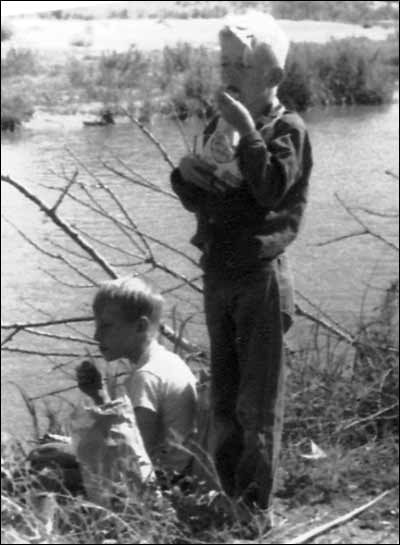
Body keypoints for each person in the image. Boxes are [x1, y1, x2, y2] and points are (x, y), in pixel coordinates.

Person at [170, 13, 313, 515]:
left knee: (259, 402)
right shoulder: (220, 126)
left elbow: (271, 187)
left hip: (261, 277)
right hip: (220, 272)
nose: (229, 71)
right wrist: (185, 174)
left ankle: (256, 510)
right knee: (227, 396)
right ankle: (229, 494)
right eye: (225, 61)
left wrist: (249, 133)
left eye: (243, 65)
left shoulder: (286, 130)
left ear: (272, 77)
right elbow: (202, 195)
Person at [76, 276, 198, 478]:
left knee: (47, 458)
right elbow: (130, 438)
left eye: (106, 326)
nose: (96, 336)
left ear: (140, 327)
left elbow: (133, 456)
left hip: (165, 485)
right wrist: (100, 397)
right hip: (176, 476)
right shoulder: (168, 360)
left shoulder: (146, 376)